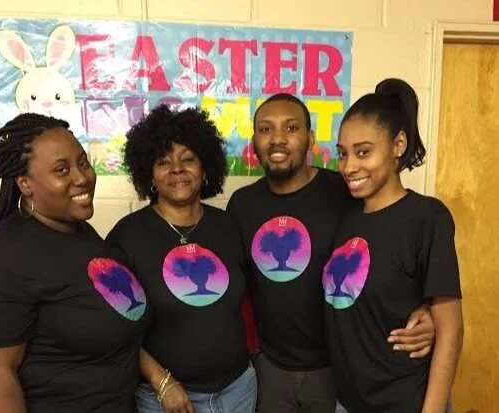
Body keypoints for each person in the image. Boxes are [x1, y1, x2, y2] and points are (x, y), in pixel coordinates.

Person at [226, 93, 436, 413]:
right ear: (254, 142)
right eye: (266, 129)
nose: (278, 138)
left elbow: (396, 246)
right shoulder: (241, 205)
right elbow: (233, 288)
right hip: (271, 370)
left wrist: (428, 308)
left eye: (291, 128)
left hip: (339, 371)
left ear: (310, 139)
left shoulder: (346, 191)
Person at [0, 113, 149, 413]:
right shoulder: (0, 259)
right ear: (25, 183)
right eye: (61, 170)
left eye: (83, 163)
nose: (82, 178)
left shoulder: (78, 230)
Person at [324, 78, 463, 413]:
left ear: (398, 144)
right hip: (349, 403)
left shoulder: (426, 217)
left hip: (405, 402)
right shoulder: (345, 215)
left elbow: (451, 330)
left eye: (363, 152)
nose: (349, 167)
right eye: (343, 154)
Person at [106, 105, 256, 413]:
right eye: (163, 162)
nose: (177, 169)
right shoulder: (127, 236)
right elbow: (113, 328)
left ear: (205, 168)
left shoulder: (228, 226)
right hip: (166, 398)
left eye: (188, 159)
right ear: (149, 173)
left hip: (239, 390)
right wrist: (160, 381)